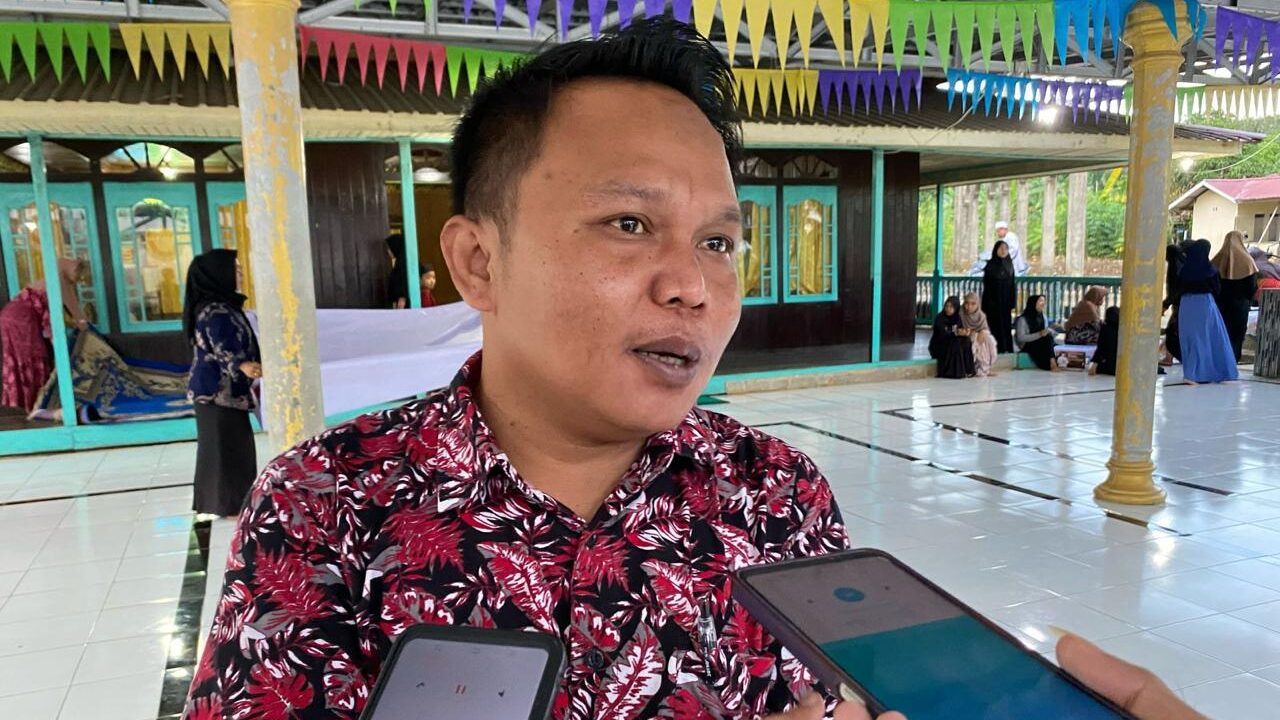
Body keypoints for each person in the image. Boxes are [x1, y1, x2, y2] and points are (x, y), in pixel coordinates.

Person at [185, 21, 1201, 720]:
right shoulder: (324, 504)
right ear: (478, 261)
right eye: (629, 224)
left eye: (719, 242)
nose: (694, 287)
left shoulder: (777, 492)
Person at [183, 249, 262, 518]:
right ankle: (230, 506)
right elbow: (221, 344)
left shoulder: (224, 305)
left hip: (224, 392)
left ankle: (223, 504)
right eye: (234, 269)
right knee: (226, 450)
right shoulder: (215, 311)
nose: (240, 273)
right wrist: (242, 364)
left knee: (225, 448)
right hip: (216, 392)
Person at [0, 257, 89, 412]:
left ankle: (32, 403)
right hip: (20, 320)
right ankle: (35, 403)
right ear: (75, 270)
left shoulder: (55, 278)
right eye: (79, 277)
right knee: (33, 355)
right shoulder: (59, 282)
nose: (77, 282)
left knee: (28, 357)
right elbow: (75, 311)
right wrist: (85, 327)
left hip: (12, 317)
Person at [1178, 239, 1237, 384]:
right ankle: (1214, 371)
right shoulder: (1210, 270)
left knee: (1192, 339)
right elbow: (1217, 289)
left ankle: (1191, 373)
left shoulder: (1184, 269)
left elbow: (1178, 288)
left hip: (1186, 305)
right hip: (1204, 304)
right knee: (1210, 337)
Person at [1211, 230, 1258, 362]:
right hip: (1240, 305)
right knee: (1237, 335)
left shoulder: (1216, 260)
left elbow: (1211, 284)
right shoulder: (1248, 261)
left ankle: (1219, 360)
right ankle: (1233, 361)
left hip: (1220, 305)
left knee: (1221, 332)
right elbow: (1251, 287)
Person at [981, 241, 1017, 353]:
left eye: (1006, 248)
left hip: (1005, 301)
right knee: (994, 325)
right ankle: (994, 349)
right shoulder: (990, 265)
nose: (1003, 250)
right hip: (993, 301)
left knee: (1006, 325)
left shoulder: (1010, 265)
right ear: (996, 249)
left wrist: (1012, 301)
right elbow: (987, 286)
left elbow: (1012, 284)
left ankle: (1006, 348)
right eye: (1001, 248)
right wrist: (989, 302)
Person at [930, 296, 976, 379]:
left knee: (966, 340)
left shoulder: (957, 318)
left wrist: (965, 332)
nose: (948, 309)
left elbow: (959, 330)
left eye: (951, 307)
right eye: (946, 306)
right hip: (939, 345)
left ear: (956, 308)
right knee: (956, 343)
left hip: (951, 342)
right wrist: (956, 333)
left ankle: (969, 370)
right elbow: (942, 335)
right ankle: (954, 372)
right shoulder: (940, 318)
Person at [1014, 294, 1058, 371]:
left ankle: (1053, 361)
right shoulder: (1022, 319)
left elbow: (1045, 332)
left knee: (1054, 344)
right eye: (1040, 301)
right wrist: (1039, 334)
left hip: (1041, 342)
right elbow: (1020, 338)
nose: (1043, 304)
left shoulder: (1042, 317)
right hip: (1027, 345)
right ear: (1033, 303)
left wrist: (1051, 331)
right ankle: (1052, 362)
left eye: (1044, 301)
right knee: (1047, 339)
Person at [385, 232, 429, 309]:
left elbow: (403, 280)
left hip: (404, 304)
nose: (388, 251)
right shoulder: (401, 261)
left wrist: (402, 297)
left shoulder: (404, 262)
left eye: (389, 248)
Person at [960, 292, 999, 377]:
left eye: (973, 304)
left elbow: (985, 328)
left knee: (989, 339)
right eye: (967, 303)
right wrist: (972, 333)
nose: (969, 306)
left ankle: (986, 368)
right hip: (966, 338)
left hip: (980, 337)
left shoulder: (981, 316)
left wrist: (982, 332)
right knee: (977, 341)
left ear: (978, 305)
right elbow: (959, 329)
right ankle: (979, 369)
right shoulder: (961, 314)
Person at [1091, 306, 1121, 376]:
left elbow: (1101, 348)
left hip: (1108, 366)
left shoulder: (1105, 328)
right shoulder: (1123, 328)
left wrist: (1094, 364)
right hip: (1121, 366)